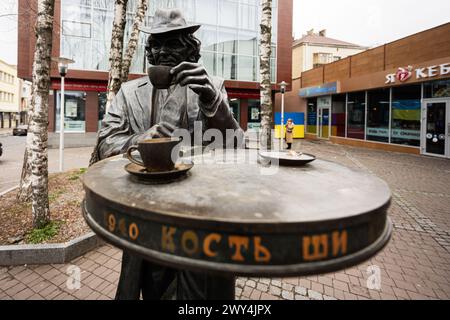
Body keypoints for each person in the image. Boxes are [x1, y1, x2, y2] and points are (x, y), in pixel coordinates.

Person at [90, 8, 243, 300]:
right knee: (154, 288)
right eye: (155, 45)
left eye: (172, 44)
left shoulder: (212, 87)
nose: (161, 52)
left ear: (190, 50)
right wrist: (138, 141)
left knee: (205, 293)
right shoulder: (128, 93)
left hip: (203, 220)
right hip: (149, 216)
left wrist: (212, 100)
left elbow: (236, 148)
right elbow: (105, 143)